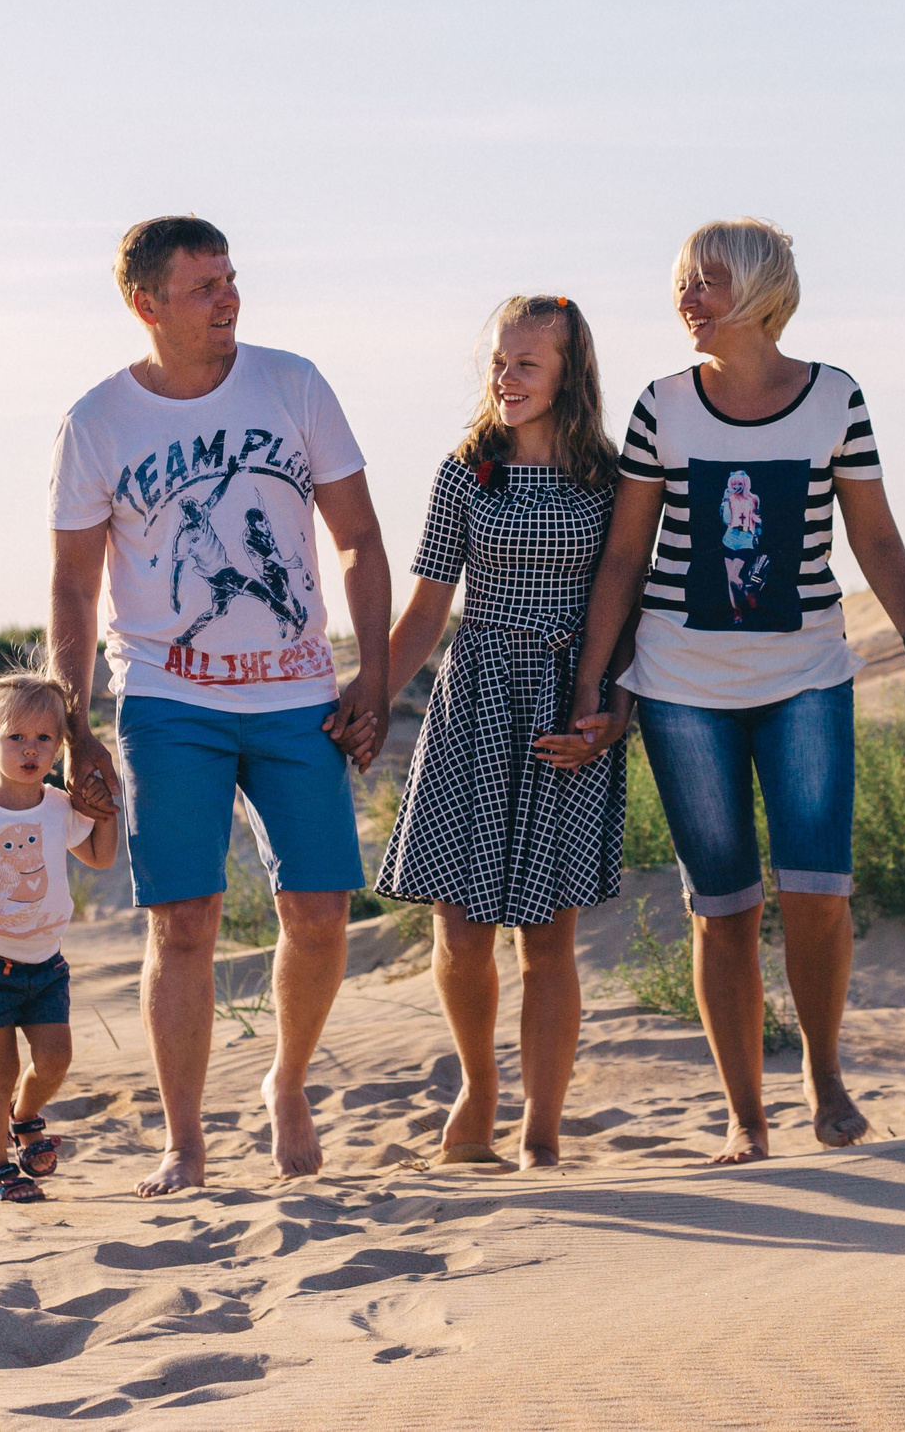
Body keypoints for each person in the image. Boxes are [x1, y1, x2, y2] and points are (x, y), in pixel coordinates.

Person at [562, 218, 905, 1165]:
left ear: (764, 290)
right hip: (682, 688)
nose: (687, 297)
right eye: (683, 282)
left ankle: (824, 1078)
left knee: (819, 892)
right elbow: (624, 555)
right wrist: (596, 680)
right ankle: (745, 1115)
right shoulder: (662, 406)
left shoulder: (835, 399)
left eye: (708, 281)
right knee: (723, 905)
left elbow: (877, 535)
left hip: (807, 679)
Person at [47, 215, 392, 1195]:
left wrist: (369, 676)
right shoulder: (99, 422)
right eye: (203, 287)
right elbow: (73, 587)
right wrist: (75, 726)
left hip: (297, 698)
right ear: (144, 303)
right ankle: (185, 1143)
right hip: (165, 700)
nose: (228, 298)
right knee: (184, 921)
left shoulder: (294, 385)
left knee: (320, 910)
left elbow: (359, 538)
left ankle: (287, 1080)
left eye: (231, 278)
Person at [378, 294, 627, 1171]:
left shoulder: (610, 476)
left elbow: (627, 601)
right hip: (476, 692)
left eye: (527, 362)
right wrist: (366, 695)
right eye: (497, 361)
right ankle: (477, 1087)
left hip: (569, 701)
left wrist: (612, 711)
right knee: (460, 923)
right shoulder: (464, 472)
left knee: (548, 934)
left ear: (569, 371)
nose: (506, 377)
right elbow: (423, 612)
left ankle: (543, 1127)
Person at [0, 665, 119, 1204]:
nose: (30, 749)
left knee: (55, 1059)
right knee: (2, 1069)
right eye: (16, 737)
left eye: (43, 738)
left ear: (59, 746)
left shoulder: (59, 807)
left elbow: (101, 859)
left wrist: (105, 809)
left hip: (46, 965)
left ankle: (26, 1117)